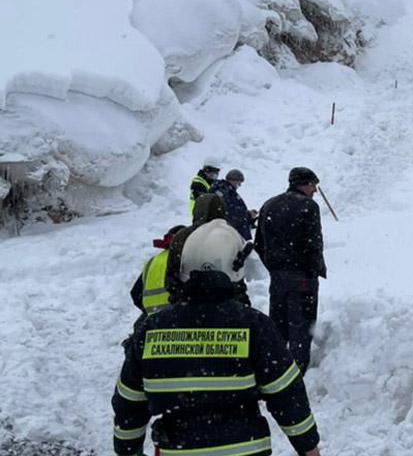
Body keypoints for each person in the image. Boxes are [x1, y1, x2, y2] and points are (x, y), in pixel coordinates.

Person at [112, 221, 322, 456]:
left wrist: (128, 450)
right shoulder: (254, 325)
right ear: (235, 267)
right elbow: (286, 394)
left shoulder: (151, 330)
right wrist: (308, 446)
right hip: (245, 449)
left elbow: (129, 403)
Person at [256, 167, 326, 374]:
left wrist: (274, 266)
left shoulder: (269, 205)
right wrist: (313, 270)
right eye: (313, 185)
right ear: (304, 183)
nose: (314, 190)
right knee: (301, 329)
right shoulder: (308, 207)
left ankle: (275, 371)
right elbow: (314, 243)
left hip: (277, 277)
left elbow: (259, 243)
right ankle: (296, 374)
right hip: (302, 277)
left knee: (278, 327)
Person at [166, 194, 252, 309]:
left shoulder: (182, 236)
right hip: (227, 306)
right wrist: (243, 306)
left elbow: (172, 275)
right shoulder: (230, 235)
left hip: (189, 303)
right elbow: (238, 277)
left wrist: (178, 300)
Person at [128, 225, 186, 328]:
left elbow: (136, 293)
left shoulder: (152, 261)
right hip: (176, 318)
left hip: (153, 321)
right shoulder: (183, 257)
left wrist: (152, 311)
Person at [211, 169, 255, 241]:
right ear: (233, 180)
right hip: (230, 235)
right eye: (238, 182)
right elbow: (230, 212)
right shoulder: (224, 191)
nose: (239, 185)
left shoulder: (228, 191)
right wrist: (248, 215)